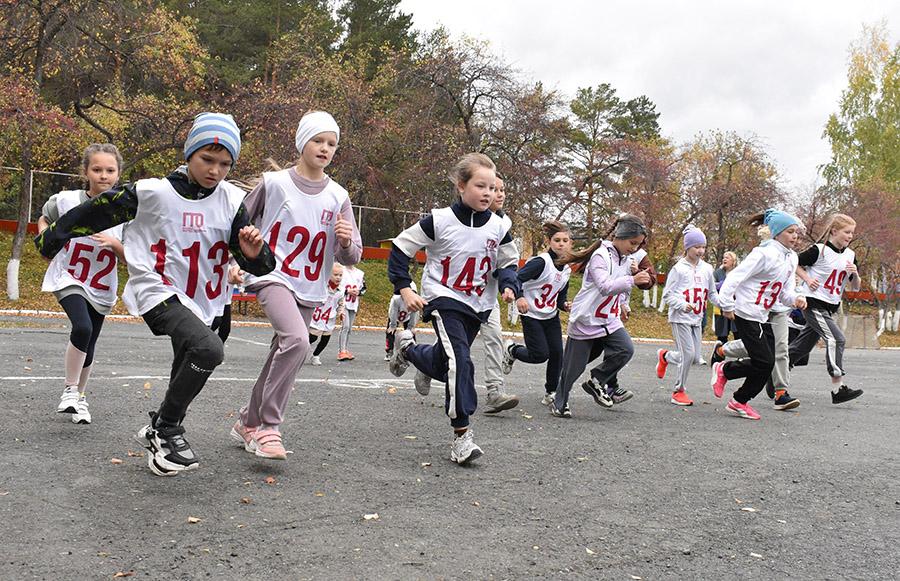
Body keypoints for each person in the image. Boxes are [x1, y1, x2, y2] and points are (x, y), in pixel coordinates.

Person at [35, 113, 275, 475]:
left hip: (206, 298)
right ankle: (167, 431)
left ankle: (160, 427)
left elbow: (260, 264)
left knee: (193, 358)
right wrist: (51, 238)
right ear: (190, 153)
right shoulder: (153, 192)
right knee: (209, 349)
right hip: (158, 290)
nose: (215, 170)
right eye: (207, 159)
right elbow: (94, 212)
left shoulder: (231, 200)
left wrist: (255, 254)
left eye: (225, 164)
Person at [233, 110, 362, 460]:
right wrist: (235, 261)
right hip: (272, 274)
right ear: (302, 142)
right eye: (318, 140)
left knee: (283, 350)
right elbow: (237, 223)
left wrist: (345, 241)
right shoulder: (274, 184)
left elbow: (353, 255)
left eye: (332, 143)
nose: (325, 148)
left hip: (310, 283)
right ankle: (269, 427)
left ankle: (248, 420)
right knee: (297, 342)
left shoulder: (338, 196)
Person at [387, 153, 519, 465]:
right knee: (460, 361)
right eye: (480, 186)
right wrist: (404, 287)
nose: (488, 193)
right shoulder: (439, 220)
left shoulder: (499, 227)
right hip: (443, 298)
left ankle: (408, 350)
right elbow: (401, 247)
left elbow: (508, 262)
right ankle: (462, 435)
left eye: (492, 187)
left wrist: (509, 284)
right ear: (461, 186)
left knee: (444, 361)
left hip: (479, 304)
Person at [39, 143, 126, 425]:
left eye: (110, 170)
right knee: (82, 327)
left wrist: (115, 244)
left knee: (90, 340)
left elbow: (132, 257)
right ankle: (70, 389)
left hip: (101, 283)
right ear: (85, 171)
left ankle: (79, 397)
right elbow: (45, 218)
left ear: (118, 173)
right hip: (69, 275)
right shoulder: (66, 201)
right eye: (97, 169)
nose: (103, 175)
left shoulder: (125, 210)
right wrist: (46, 240)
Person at [550, 214, 652, 418]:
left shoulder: (627, 259)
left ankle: (597, 380)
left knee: (625, 349)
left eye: (638, 245)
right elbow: (605, 286)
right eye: (632, 243)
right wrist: (632, 280)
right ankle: (559, 401)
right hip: (586, 319)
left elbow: (621, 287)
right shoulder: (600, 256)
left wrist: (623, 304)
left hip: (609, 320)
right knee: (573, 368)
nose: (634, 248)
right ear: (620, 236)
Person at [710, 209, 807, 420]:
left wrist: (796, 299)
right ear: (777, 232)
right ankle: (739, 400)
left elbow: (784, 293)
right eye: (790, 231)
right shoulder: (763, 254)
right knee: (765, 362)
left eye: (796, 232)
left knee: (766, 359)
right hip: (747, 312)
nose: (795, 236)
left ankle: (725, 371)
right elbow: (734, 277)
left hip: (764, 314)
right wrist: (727, 305)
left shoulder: (791, 258)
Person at [788, 213, 863, 404]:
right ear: (834, 231)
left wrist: (855, 275)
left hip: (831, 305)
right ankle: (838, 388)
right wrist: (807, 279)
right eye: (847, 232)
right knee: (836, 339)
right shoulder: (819, 250)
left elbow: (855, 287)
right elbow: (793, 263)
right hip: (813, 303)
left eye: (852, 233)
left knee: (802, 346)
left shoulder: (850, 255)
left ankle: (777, 371)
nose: (850, 236)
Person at [501, 220, 572, 406]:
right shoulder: (541, 262)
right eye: (557, 240)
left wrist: (565, 305)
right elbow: (516, 278)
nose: (561, 244)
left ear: (570, 243)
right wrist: (519, 297)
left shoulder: (567, 269)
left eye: (565, 240)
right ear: (549, 242)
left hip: (550, 316)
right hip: (531, 314)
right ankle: (512, 350)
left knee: (557, 353)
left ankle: (551, 391)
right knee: (540, 355)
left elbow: (560, 295)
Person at [656, 225, 720, 406]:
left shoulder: (707, 269)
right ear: (687, 247)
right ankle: (678, 391)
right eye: (696, 247)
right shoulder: (678, 269)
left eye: (703, 247)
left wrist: (727, 305)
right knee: (688, 355)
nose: (700, 251)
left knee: (694, 357)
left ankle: (665, 356)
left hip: (697, 319)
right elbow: (668, 295)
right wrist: (683, 305)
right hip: (680, 318)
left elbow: (712, 294)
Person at [309, 263, 346, 366]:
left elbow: (341, 303)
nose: (338, 277)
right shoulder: (322, 286)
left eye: (340, 275)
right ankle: (298, 350)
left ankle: (315, 355)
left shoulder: (341, 290)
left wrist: (341, 312)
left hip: (330, 318)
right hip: (318, 316)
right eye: (335, 275)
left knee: (325, 338)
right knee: (313, 337)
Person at [384, 281, 420, 361]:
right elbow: (393, 312)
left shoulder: (415, 300)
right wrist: (393, 325)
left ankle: (413, 351)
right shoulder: (396, 299)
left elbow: (414, 314)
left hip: (408, 316)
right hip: (395, 315)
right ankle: (389, 351)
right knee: (390, 332)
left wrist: (411, 326)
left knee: (411, 333)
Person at [337, 263, 365, 360]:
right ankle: (341, 351)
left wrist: (359, 292)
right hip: (343, 302)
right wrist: (347, 291)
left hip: (353, 303)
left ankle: (345, 349)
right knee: (345, 326)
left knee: (349, 328)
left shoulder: (360, 273)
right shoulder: (341, 270)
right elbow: (336, 285)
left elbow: (364, 288)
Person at [713, 252, 740, 344]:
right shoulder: (717, 273)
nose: (724, 259)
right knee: (722, 334)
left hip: (736, 306)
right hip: (721, 306)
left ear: (733, 261)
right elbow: (712, 286)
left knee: (738, 332)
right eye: (724, 257)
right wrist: (720, 285)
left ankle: (739, 352)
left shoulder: (738, 272)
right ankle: (719, 352)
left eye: (727, 258)